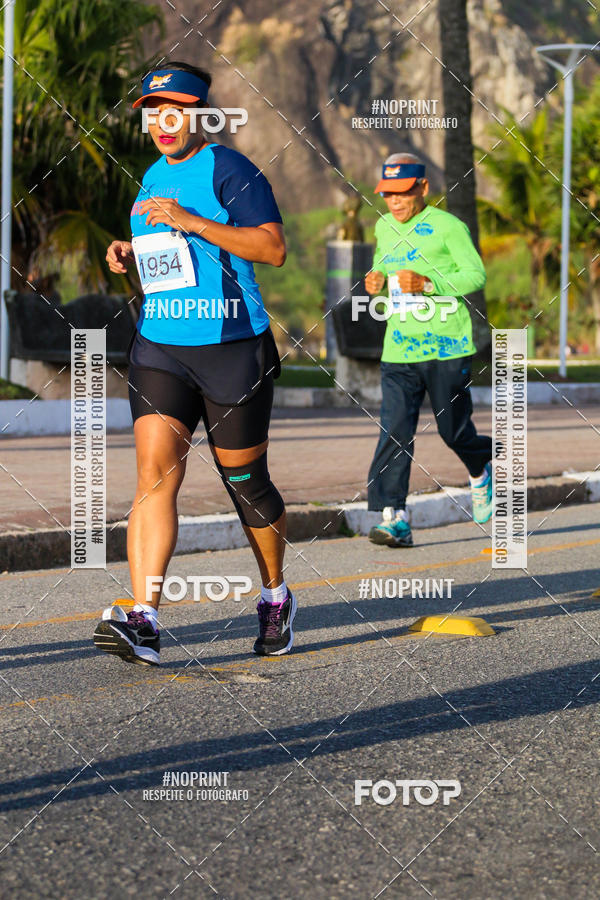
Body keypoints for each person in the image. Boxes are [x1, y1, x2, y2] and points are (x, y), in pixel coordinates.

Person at [93, 61, 296, 665]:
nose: (162, 122)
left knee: (246, 483)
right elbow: (171, 258)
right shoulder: (151, 177)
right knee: (155, 476)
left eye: (174, 111)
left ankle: (276, 597)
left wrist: (193, 221)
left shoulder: (230, 169)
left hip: (232, 346)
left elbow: (273, 248)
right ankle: (145, 619)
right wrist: (131, 251)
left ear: (200, 115)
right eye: (153, 112)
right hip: (162, 345)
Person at [365, 152, 493, 548]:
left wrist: (429, 283)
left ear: (423, 187)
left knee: (453, 432)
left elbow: (475, 275)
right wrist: (375, 280)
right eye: (388, 195)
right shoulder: (383, 226)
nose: (395, 202)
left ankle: (481, 464)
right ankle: (395, 518)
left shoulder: (448, 226)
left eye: (403, 193)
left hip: (446, 346)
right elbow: (382, 267)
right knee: (395, 431)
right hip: (399, 349)